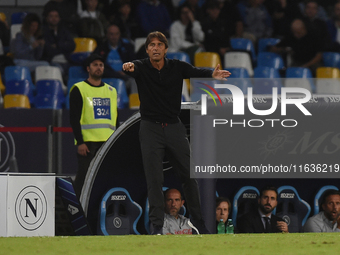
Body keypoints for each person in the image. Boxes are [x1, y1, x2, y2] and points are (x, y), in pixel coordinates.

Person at [122, 31, 230, 235]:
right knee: (154, 179)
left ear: (165, 49)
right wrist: (128, 67)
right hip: (150, 128)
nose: (155, 48)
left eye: (159, 44)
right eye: (151, 45)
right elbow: (131, 68)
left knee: (189, 176)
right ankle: (156, 226)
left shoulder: (177, 66)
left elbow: (194, 71)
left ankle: (198, 222)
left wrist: (212, 74)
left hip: (173, 126)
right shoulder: (142, 66)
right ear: (147, 50)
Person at [69, 54, 118, 198]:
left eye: (101, 65)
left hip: (107, 142)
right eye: (95, 64)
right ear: (88, 68)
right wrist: (80, 142)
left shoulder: (111, 91)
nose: (98, 67)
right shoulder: (79, 89)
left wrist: (114, 141)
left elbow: (115, 118)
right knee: (83, 178)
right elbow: (74, 118)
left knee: (106, 177)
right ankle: (76, 207)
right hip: (88, 144)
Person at [93, 24, 137, 94]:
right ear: (107, 35)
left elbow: (134, 62)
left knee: (136, 80)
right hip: (107, 79)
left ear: (120, 34)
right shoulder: (101, 48)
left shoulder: (127, 47)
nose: (114, 37)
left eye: (116, 34)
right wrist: (116, 74)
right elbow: (94, 63)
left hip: (125, 78)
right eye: (111, 34)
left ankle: (134, 103)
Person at [42, 9, 76, 75]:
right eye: (51, 16)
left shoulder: (64, 31)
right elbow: (48, 50)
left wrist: (57, 45)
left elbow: (72, 45)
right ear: (46, 18)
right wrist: (64, 46)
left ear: (59, 18)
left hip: (67, 61)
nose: (54, 18)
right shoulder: (43, 32)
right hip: (52, 62)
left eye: (56, 16)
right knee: (59, 71)